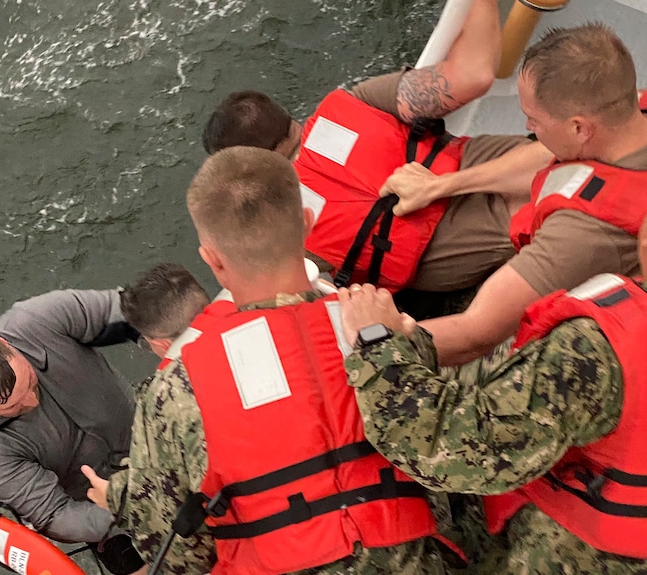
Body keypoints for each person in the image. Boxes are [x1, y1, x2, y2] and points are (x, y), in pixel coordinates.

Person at [84, 147, 462, 575]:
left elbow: (178, 555)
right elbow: (442, 458)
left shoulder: (174, 393)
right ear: (307, 223)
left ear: (212, 260)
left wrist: (121, 494)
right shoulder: (390, 331)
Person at [336, 213, 647, 573]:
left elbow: (457, 450)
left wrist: (377, 342)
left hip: (589, 549)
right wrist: (413, 348)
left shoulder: (599, 344)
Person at [202, 0, 551, 303]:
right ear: (287, 116)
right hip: (494, 164)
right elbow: (474, 74)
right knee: (564, 173)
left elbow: (310, 293)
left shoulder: (287, 219)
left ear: (249, 168)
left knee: (551, 209)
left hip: (450, 254)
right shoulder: (356, 102)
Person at [384, 24, 647, 365]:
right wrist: (441, 185)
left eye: (533, 120)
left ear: (579, 127)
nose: (527, 128)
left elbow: (474, 333)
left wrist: (372, 342)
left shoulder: (586, 233)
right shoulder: (627, 115)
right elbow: (545, 156)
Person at [0, 288, 145, 575]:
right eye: (13, 406)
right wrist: (137, 510)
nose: (32, 401)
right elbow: (56, 515)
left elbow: (133, 308)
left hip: (151, 439)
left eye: (30, 381)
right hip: (102, 510)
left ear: (7, 344)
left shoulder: (37, 320)